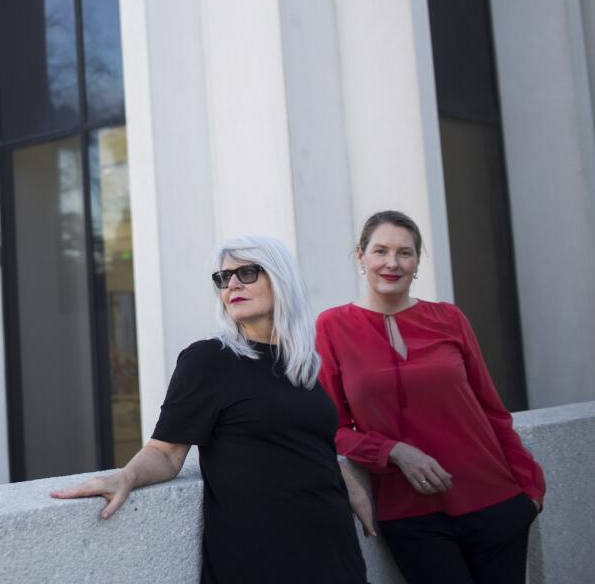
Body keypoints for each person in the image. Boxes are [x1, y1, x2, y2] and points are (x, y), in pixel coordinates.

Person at [51, 235, 371, 583]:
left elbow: (310, 441)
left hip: (334, 551)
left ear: (280, 279)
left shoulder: (303, 364)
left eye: (247, 273)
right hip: (260, 559)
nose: (232, 284)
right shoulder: (209, 360)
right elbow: (166, 453)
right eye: (223, 277)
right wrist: (126, 475)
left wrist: (346, 480)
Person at [316, 210, 546, 584]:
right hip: (411, 517)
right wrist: (393, 451)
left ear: (417, 262)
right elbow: (331, 428)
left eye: (405, 253)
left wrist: (530, 490)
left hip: (496, 502)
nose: (392, 263)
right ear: (361, 257)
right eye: (380, 251)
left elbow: (493, 410)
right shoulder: (332, 326)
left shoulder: (450, 319)